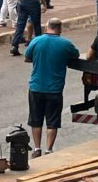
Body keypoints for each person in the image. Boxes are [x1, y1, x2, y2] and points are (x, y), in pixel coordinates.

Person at [24, 18, 80, 157]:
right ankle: (49, 149)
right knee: (52, 121)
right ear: (59, 29)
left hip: (36, 87)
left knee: (36, 120)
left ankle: (37, 148)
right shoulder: (65, 44)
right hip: (54, 90)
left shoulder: (36, 41)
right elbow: (76, 55)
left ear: (47, 27)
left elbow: (27, 57)